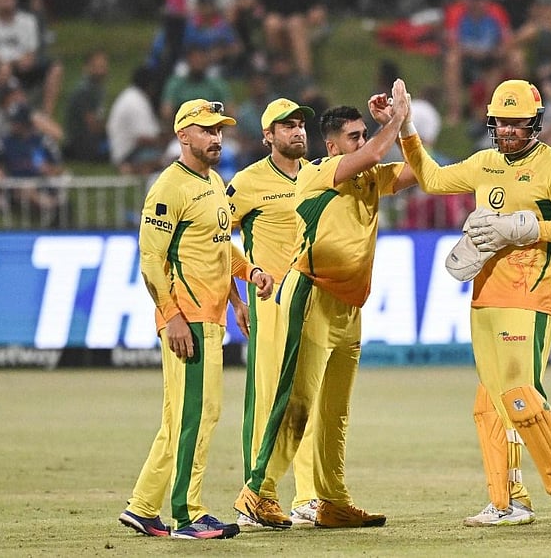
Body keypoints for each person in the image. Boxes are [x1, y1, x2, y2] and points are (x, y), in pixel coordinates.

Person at [398, 77, 551, 525]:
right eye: (500, 123)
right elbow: (430, 178)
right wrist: (406, 127)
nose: (507, 131)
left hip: (530, 294)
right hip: (484, 293)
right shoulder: (485, 163)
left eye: (516, 124)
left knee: (522, 394)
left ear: (535, 124)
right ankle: (509, 501)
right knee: (489, 402)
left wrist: (526, 229)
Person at [234, 88, 415, 530]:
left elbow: (422, 172)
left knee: (335, 411)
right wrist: (395, 119)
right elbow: (374, 152)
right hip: (310, 295)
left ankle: (330, 500)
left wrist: (405, 126)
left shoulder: (369, 176)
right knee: (296, 402)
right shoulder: (318, 173)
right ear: (332, 146)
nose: (362, 140)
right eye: (353, 136)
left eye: (362, 133)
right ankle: (257, 492)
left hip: (350, 305)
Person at [119, 98, 275, 540]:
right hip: (188, 321)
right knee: (199, 415)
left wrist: (248, 280)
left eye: (219, 129)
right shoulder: (170, 186)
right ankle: (188, 515)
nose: (217, 137)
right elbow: (151, 259)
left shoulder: (213, 182)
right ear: (182, 135)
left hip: (211, 316)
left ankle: (144, 507)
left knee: (180, 419)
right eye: (207, 130)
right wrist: (171, 317)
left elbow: (220, 249)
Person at [226, 98, 319, 528]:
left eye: (300, 125)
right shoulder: (247, 182)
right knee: (268, 399)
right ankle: (256, 494)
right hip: (272, 305)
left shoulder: (317, 176)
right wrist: (237, 299)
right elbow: (214, 236)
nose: (297, 132)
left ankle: (308, 497)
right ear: (268, 136)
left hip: (315, 302)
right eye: (286, 127)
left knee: (310, 400)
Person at [0, 0, 63, 116]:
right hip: (0, 67)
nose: (7, 3)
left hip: (25, 64)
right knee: (4, 68)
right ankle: (4, 115)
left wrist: (25, 60)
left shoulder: (28, 21)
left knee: (56, 68)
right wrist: (11, 62)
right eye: (3, 0)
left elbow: (31, 52)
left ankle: (46, 114)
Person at [107, 66, 164, 174]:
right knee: (169, 158)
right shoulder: (136, 101)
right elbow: (143, 139)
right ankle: (131, 169)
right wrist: (165, 142)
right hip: (127, 153)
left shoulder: (132, 96)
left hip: (129, 150)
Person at [62, 50, 109, 162]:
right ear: (87, 68)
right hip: (80, 141)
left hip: (92, 138)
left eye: (103, 66)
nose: (101, 70)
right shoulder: (84, 90)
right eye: (97, 66)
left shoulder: (98, 88)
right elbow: (91, 124)